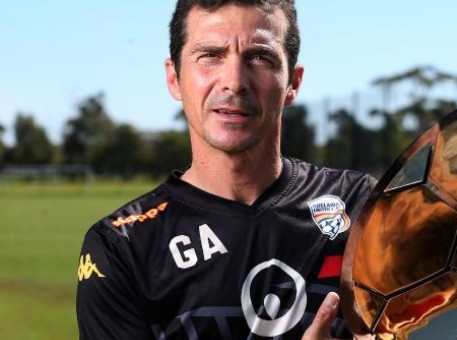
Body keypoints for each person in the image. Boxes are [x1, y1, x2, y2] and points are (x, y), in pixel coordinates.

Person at [75, 0, 376, 339]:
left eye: (259, 57)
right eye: (210, 55)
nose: (234, 81)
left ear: (293, 82)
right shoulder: (122, 247)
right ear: (174, 78)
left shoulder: (363, 206)